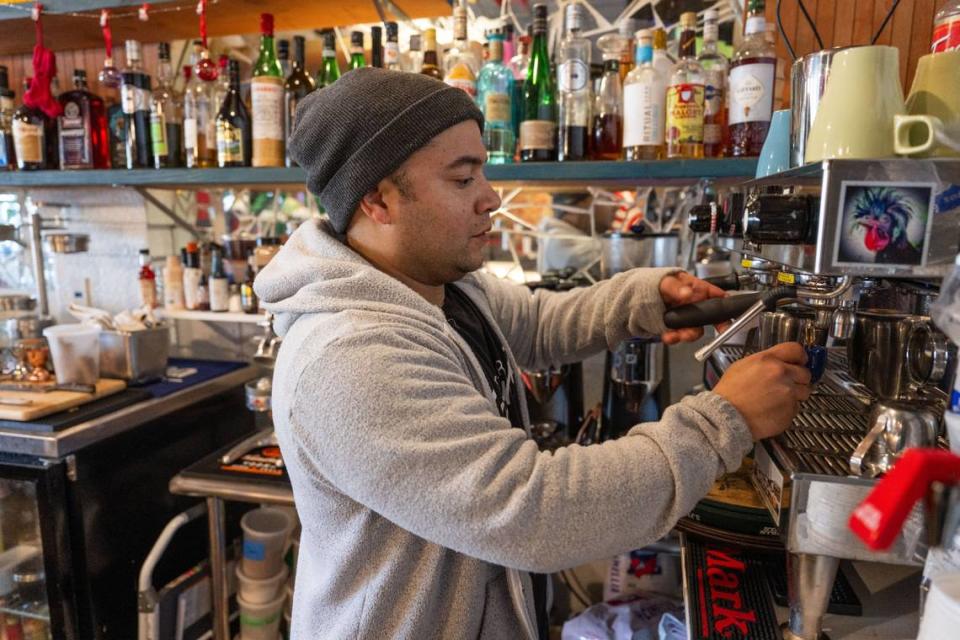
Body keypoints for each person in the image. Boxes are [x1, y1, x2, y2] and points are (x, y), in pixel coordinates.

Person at [255, 68, 811, 639]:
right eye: (462, 180)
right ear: (378, 199)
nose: (490, 198)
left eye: (483, 174)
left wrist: (643, 299)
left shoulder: (441, 285)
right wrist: (725, 420)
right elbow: (536, 512)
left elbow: (538, 322)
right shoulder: (351, 358)